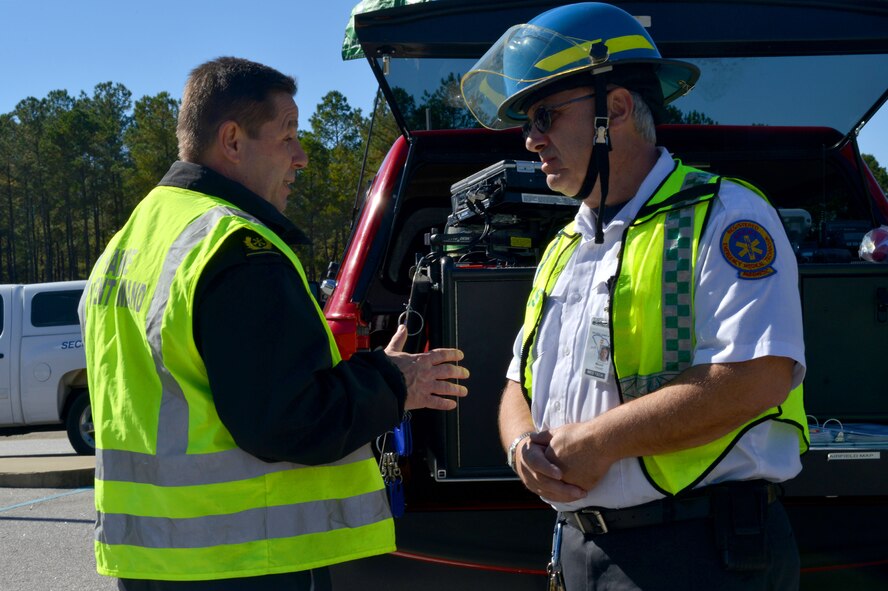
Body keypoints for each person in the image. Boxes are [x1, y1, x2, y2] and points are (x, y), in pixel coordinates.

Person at [79, 56, 469, 591]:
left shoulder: (133, 239)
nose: (302, 157)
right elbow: (288, 419)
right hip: (244, 562)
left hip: (152, 562)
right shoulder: (236, 248)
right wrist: (394, 381)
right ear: (233, 141)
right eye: (287, 136)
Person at [461, 3, 809, 589]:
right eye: (527, 123)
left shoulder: (723, 215)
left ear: (616, 108)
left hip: (700, 553)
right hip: (580, 549)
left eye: (544, 115)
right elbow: (516, 383)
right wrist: (522, 444)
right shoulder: (564, 247)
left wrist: (598, 442)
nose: (530, 140)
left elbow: (760, 375)